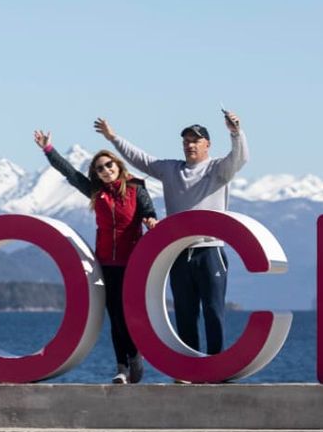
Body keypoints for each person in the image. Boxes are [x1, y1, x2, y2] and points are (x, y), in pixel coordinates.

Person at [95, 109, 247, 356]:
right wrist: (113, 138)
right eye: (186, 141)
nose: (189, 145)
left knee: (213, 310)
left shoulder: (219, 169)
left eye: (195, 140)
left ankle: (216, 365)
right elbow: (140, 159)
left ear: (207, 144)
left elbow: (239, 158)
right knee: (185, 313)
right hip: (177, 252)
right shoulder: (170, 169)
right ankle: (190, 367)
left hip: (210, 251)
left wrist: (236, 132)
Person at [32, 131, 157, 383]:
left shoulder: (136, 188)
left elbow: (148, 211)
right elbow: (70, 173)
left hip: (132, 263)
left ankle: (135, 354)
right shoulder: (95, 192)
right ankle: (121, 369)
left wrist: (151, 220)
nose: (105, 170)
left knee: (126, 316)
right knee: (114, 316)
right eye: (100, 168)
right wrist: (48, 149)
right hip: (106, 265)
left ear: (117, 165)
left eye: (109, 165)